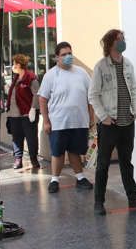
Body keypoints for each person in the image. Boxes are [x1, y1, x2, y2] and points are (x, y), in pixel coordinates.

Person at [88, 29, 136, 215]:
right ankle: (99, 201)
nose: (123, 42)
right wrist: (103, 117)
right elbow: (93, 95)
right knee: (103, 164)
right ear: (110, 44)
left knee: (126, 162)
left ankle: (133, 197)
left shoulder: (128, 64)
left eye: (123, 38)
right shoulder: (101, 67)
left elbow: (135, 89)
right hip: (109, 124)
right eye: (119, 39)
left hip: (127, 122)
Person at [38, 42, 94, 194]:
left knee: (75, 151)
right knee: (58, 152)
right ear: (57, 57)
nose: (68, 56)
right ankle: (54, 180)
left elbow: (90, 96)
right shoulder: (50, 75)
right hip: (58, 122)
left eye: (70, 53)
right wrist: (46, 121)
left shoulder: (82, 73)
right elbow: (42, 99)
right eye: (64, 54)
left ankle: (80, 177)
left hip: (79, 121)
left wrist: (91, 116)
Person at [6, 53, 40, 172]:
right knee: (17, 137)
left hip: (27, 114)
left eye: (14, 64)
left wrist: (33, 108)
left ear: (19, 65)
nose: (12, 66)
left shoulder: (31, 78)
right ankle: (18, 159)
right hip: (14, 114)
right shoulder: (16, 78)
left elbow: (36, 94)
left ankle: (33, 158)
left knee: (31, 138)